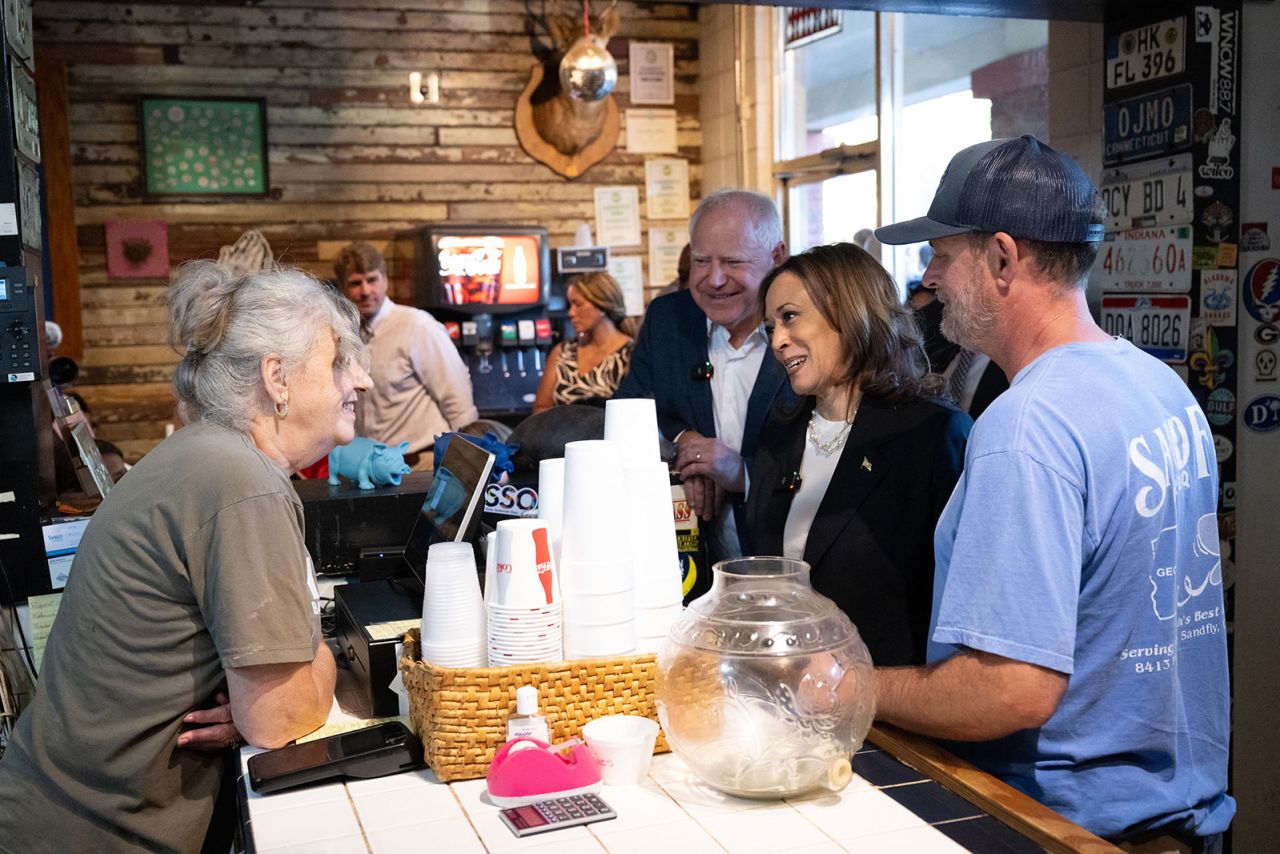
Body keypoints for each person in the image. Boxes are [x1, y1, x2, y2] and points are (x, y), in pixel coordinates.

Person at [873, 135, 1233, 846]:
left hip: (1069, 826)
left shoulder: (1028, 424)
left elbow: (1010, 690)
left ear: (1003, 258)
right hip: (1180, 815)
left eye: (943, 254)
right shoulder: (1158, 385)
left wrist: (855, 687)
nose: (931, 276)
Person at [0, 262, 371, 853]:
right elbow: (277, 718)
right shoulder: (241, 482)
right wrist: (321, 660)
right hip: (93, 834)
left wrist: (266, 682)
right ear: (276, 377)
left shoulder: (207, 456)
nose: (361, 381)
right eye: (336, 362)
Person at [731, 243, 970, 665]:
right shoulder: (778, 436)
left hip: (893, 707)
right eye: (770, 328)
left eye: (789, 317)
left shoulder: (931, 434)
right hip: (786, 694)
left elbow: (960, 596)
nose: (778, 342)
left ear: (848, 311)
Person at [614, 189, 792, 565]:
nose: (714, 279)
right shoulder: (668, 319)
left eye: (732, 261)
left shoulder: (808, 329)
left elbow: (828, 454)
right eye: (700, 261)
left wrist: (741, 471)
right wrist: (685, 446)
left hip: (788, 564)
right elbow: (626, 412)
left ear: (777, 257)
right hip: (689, 570)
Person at [336, 241, 477, 470]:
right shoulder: (344, 334)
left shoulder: (417, 325)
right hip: (371, 466)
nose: (365, 291)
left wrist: (469, 462)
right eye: (355, 283)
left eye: (372, 280)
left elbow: (458, 401)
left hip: (422, 463)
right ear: (343, 288)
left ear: (385, 280)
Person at [532, 272, 636, 413]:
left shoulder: (630, 354)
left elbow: (635, 413)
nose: (571, 313)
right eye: (570, 305)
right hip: (563, 434)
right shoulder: (563, 352)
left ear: (601, 307)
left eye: (578, 305)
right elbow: (541, 408)